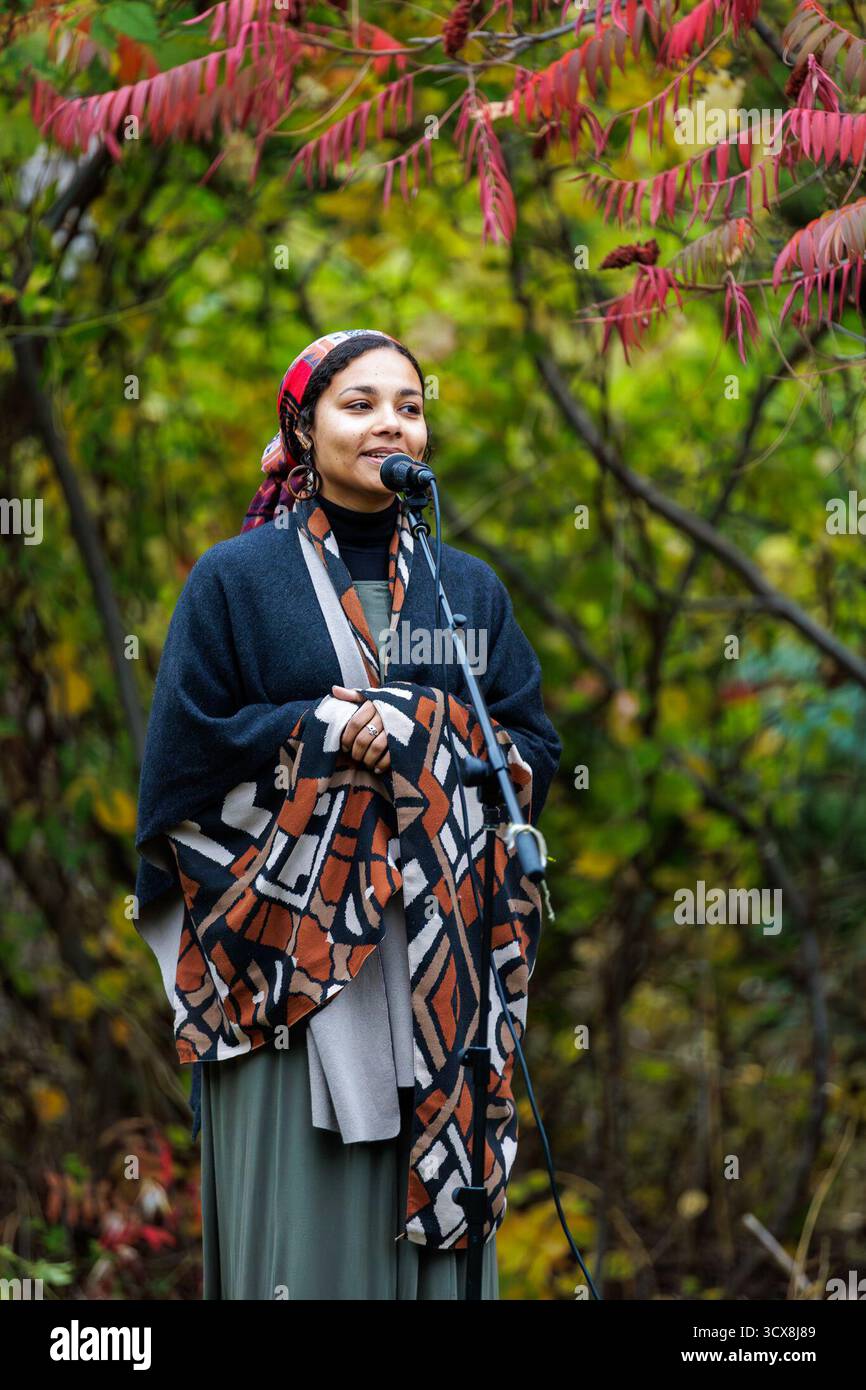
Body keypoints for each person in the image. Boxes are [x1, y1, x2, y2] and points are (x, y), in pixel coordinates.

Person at [134, 329, 562, 1300]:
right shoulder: (236, 582)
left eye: (408, 405)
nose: (388, 424)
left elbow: (530, 755)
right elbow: (182, 770)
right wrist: (323, 728)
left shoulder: (469, 592)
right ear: (302, 425)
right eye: (357, 403)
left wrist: (421, 730)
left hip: (442, 1003)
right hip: (287, 983)